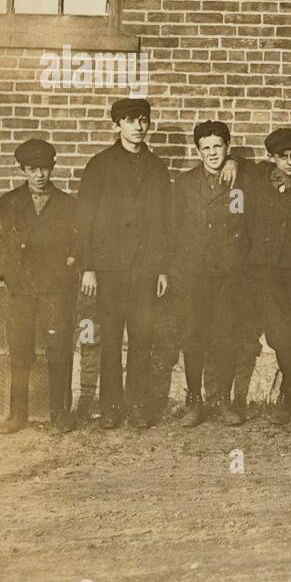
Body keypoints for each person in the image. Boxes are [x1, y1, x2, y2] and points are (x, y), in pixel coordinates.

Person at [74, 98, 171, 429]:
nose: (138, 126)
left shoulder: (157, 168)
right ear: (117, 125)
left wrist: (161, 269)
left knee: (143, 336)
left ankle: (137, 405)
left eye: (143, 120)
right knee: (111, 337)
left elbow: (163, 222)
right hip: (110, 268)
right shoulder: (99, 165)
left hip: (145, 268)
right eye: (130, 121)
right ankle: (112, 405)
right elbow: (84, 218)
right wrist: (88, 266)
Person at [0, 138, 77, 434]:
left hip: (54, 291)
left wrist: (69, 267)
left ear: (52, 169)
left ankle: (58, 413)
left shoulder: (67, 204)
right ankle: (17, 413)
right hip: (22, 290)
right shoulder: (9, 202)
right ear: (23, 170)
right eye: (33, 169)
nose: (39, 175)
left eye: (45, 169)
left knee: (58, 348)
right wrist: (7, 274)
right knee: (20, 349)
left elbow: (79, 244)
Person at [236, 127, 291, 425]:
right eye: (282, 157)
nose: (290, 162)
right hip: (266, 271)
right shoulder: (256, 180)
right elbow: (237, 162)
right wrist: (230, 162)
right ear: (271, 157)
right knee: (279, 334)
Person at [169, 120, 249, 427]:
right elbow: (173, 228)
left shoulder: (242, 180)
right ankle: (194, 402)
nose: (213, 153)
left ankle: (225, 401)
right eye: (206, 148)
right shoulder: (185, 183)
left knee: (226, 337)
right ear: (198, 151)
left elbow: (274, 168)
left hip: (230, 275)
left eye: (218, 147)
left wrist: (237, 163)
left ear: (228, 147)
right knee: (193, 336)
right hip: (193, 275)